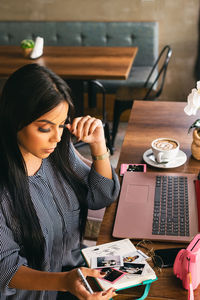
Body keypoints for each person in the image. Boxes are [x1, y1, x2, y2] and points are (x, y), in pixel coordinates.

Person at [0, 63, 120, 299]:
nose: (57, 137)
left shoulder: (58, 152)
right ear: (15, 120)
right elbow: (5, 268)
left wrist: (98, 145)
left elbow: (102, 196)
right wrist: (65, 282)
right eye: (44, 128)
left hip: (75, 272)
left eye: (61, 124)